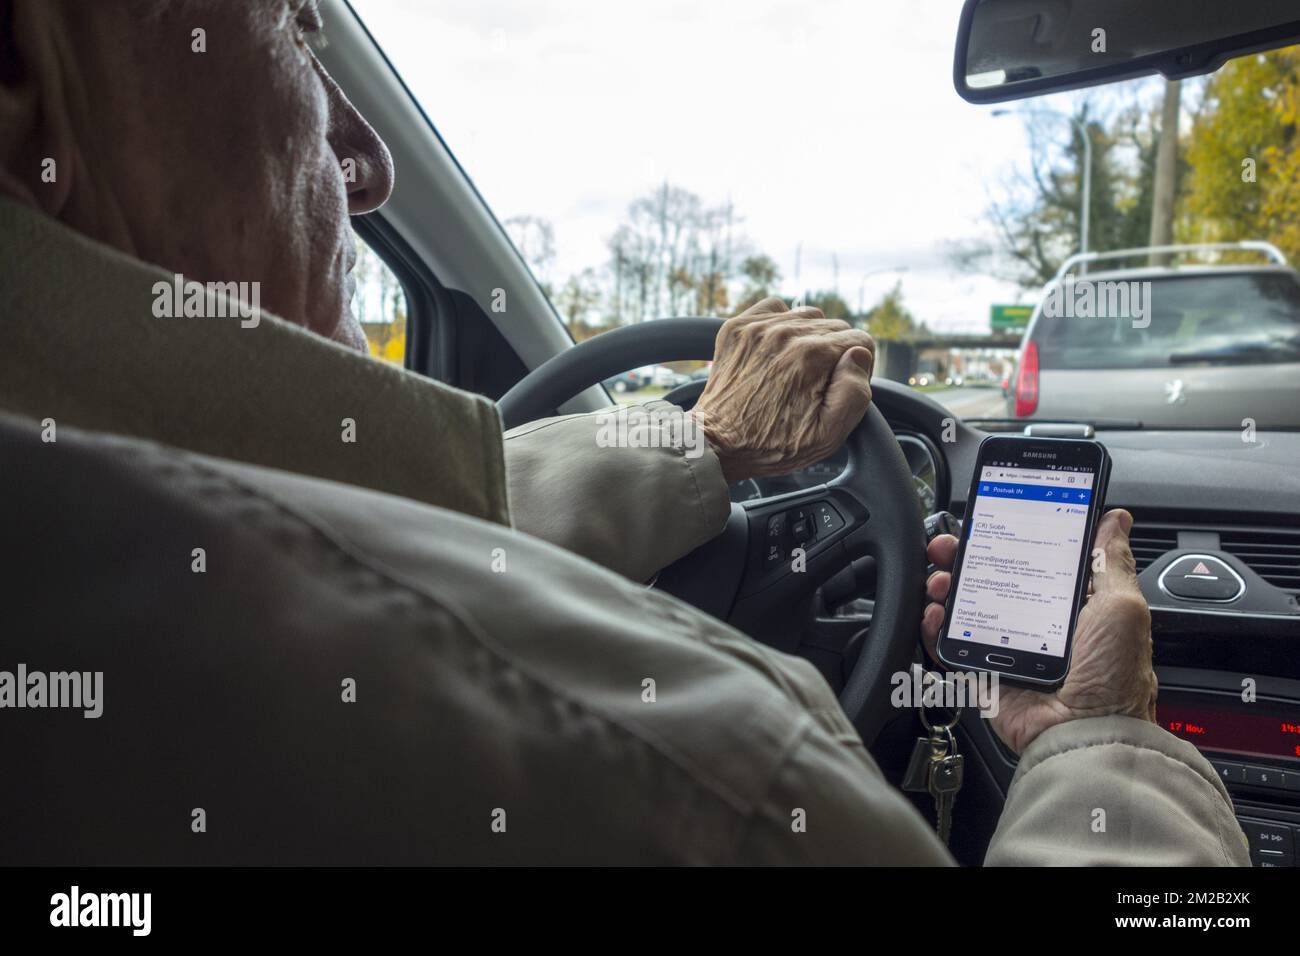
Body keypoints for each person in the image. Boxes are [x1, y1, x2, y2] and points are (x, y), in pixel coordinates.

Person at [0, 0, 1246, 865]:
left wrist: (695, 444)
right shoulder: (702, 772)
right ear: (22, 75)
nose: (366, 157)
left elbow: (378, 513)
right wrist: (1107, 746)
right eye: (290, 34)